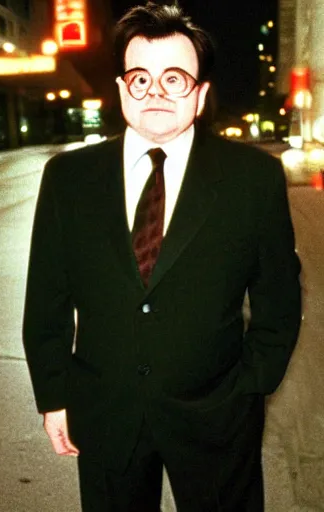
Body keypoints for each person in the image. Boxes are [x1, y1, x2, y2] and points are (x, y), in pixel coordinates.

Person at [22, 2, 302, 511]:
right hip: (105, 414)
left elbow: (278, 295)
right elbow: (46, 302)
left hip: (219, 416)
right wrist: (54, 396)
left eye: (174, 78)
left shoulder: (252, 178)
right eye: (141, 77)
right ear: (121, 87)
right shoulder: (67, 178)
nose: (155, 92)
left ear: (199, 94)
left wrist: (252, 384)